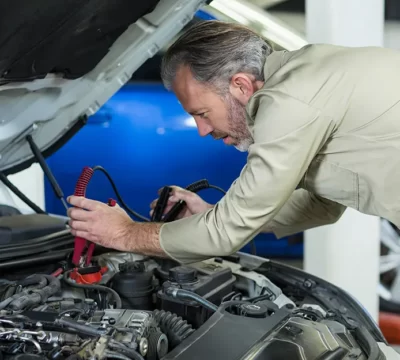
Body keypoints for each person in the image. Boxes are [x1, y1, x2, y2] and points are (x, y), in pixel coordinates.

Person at [67, 20, 400, 264]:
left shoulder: (291, 100)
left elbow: (227, 233)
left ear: (240, 86)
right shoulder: (307, 76)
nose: (201, 129)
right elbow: (320, 204)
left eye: (203, 113)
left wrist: (125, 234)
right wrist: (211, 213)